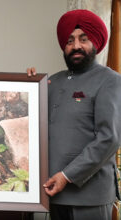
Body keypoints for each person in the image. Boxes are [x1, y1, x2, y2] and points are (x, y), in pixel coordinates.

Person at [27, 9, 121, 220]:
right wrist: (28, 87)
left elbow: (109, 138)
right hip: (53, 192)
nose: (76, 46)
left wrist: (67, 176)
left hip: (89, 195)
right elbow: (31, 124)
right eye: (70, 41)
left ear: (95, 43)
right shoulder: (52, 82)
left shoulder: (110, 80)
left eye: (83, 39)